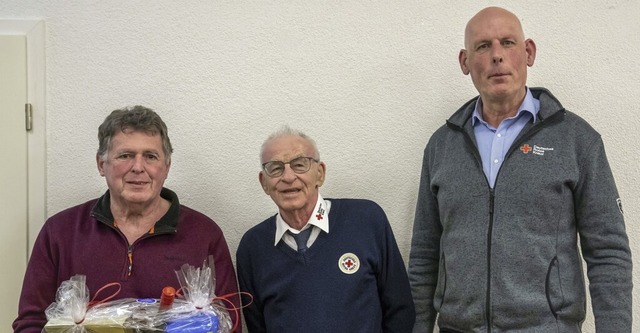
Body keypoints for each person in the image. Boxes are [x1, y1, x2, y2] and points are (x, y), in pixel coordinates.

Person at [408, 6, 632, 333]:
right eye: (483, 46)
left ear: (528, 52)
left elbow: (608, 254)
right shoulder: (442, 146)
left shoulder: (576, 140)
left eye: (507, 43)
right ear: (465, 62)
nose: (497, 55)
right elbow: (424, 256)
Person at [13, 106, 241, 332]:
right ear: (101, 164)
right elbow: (31, 323)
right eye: (125, 156)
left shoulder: (204, 234)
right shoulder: (60, 232)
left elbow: (229, 324)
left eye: (150, 156)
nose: (138, 167)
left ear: (167, 167)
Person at [236, 126, 415, 332]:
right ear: (264, 183)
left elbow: (401, 309)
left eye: (299, 164)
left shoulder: (366, 220)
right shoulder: (252, 247)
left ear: (320, 173)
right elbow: (257, 326)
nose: (287, 177)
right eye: (275, 168)